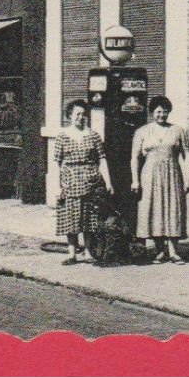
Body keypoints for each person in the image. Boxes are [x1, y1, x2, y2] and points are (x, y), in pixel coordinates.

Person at [131, 95, 189, 263]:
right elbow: (134, 158)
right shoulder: (142, 131)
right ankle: (159, 251)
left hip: (172, 174)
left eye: (165, 112)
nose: (162, 115)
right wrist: (135, 180)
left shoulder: (178, 130)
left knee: (173, 209)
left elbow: (187, 154)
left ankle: (174, 252)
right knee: (154, 210)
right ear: (152, 113)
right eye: (158, 112)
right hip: (149, 175)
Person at [54, 98, 113, 264]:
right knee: (70, 217)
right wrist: (57, 186)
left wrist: (108, 182)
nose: (81, 117)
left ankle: (88, 251)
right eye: (77, 114)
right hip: (69, 181)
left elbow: (102, 159)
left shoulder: (93, 135)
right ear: (70, 116)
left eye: (83, 114)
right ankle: (71, 253)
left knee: (89, 218)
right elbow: (56, 162)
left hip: (90, 181)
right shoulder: (62, 136)